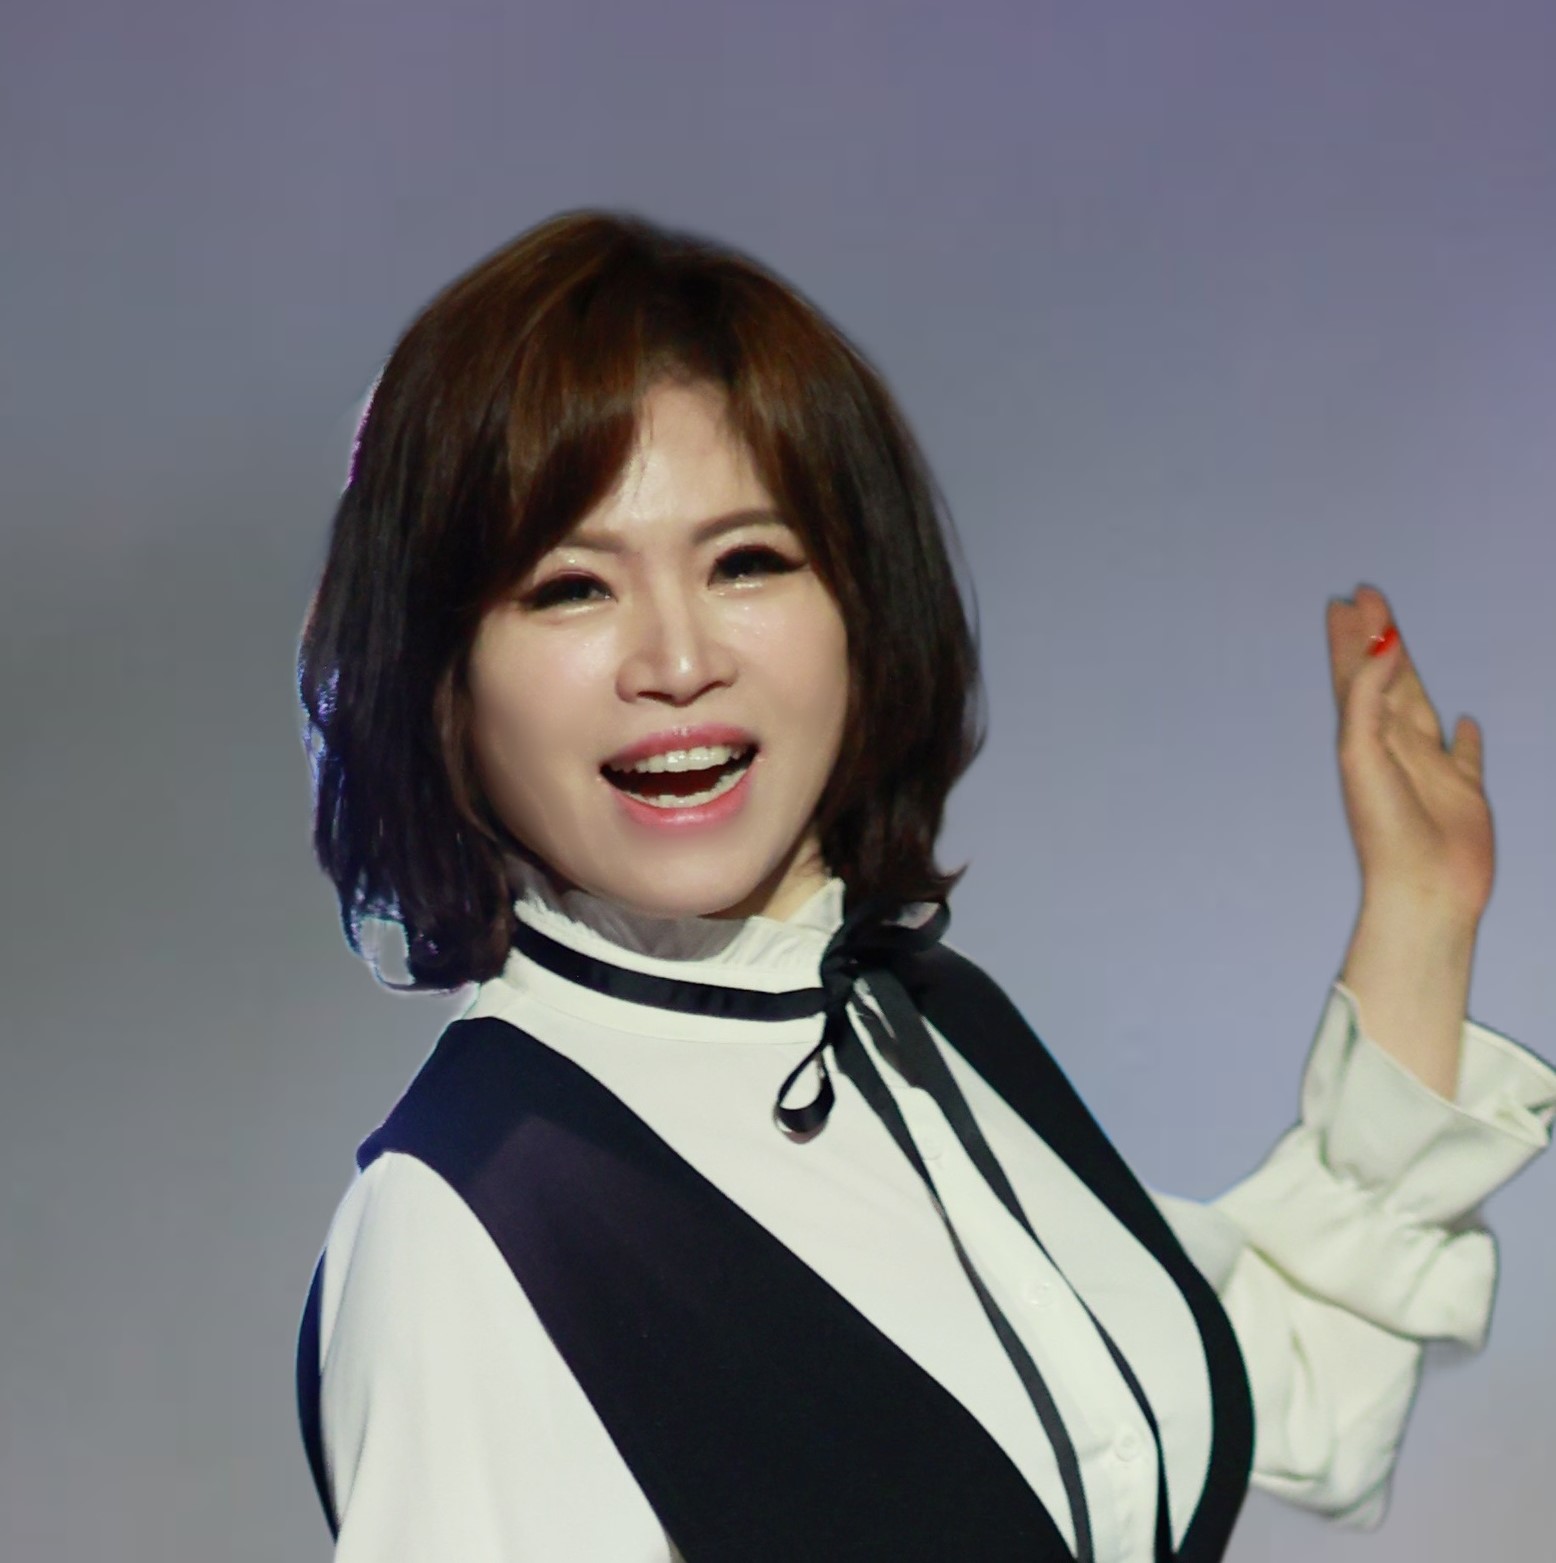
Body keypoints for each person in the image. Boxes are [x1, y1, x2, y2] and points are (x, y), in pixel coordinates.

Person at [294, 211, 1554, 1563]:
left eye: (746, 561)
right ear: (442, 681)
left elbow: (1200, 1413)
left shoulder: (926, 1016)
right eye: (569, 588)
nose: (676, 661)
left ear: (862, 610)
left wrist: (1424, 907)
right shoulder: (467, 1222)